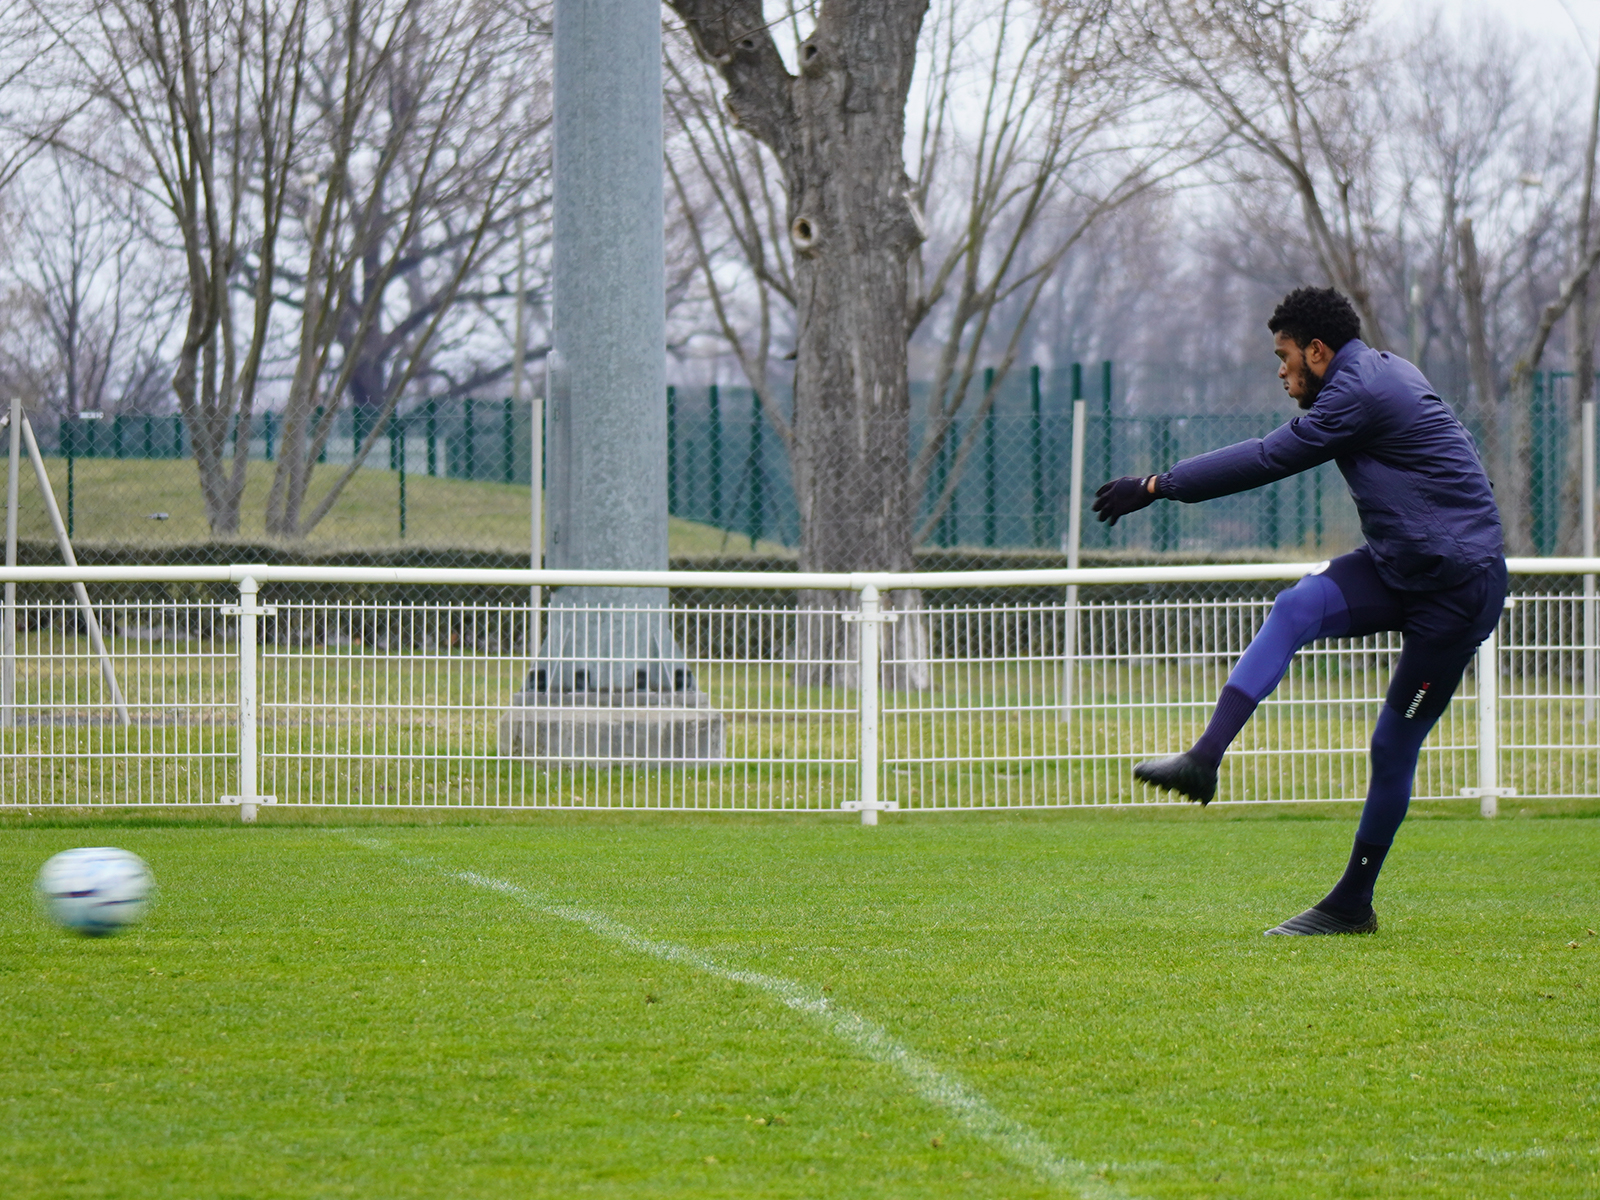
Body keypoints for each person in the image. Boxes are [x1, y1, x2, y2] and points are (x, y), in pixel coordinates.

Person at [1091, 286, 1506, 936]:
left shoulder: (1360, 390)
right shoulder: (1374, 373)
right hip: (1404, 563)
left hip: (1457, 588)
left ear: (1319, 350)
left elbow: (1267, 457)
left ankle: (1351, 905)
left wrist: (1156, 485)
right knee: (1297, 606)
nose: (1281, 371)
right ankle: (1204, 760)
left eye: (1285, 357)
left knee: (1393, 744)